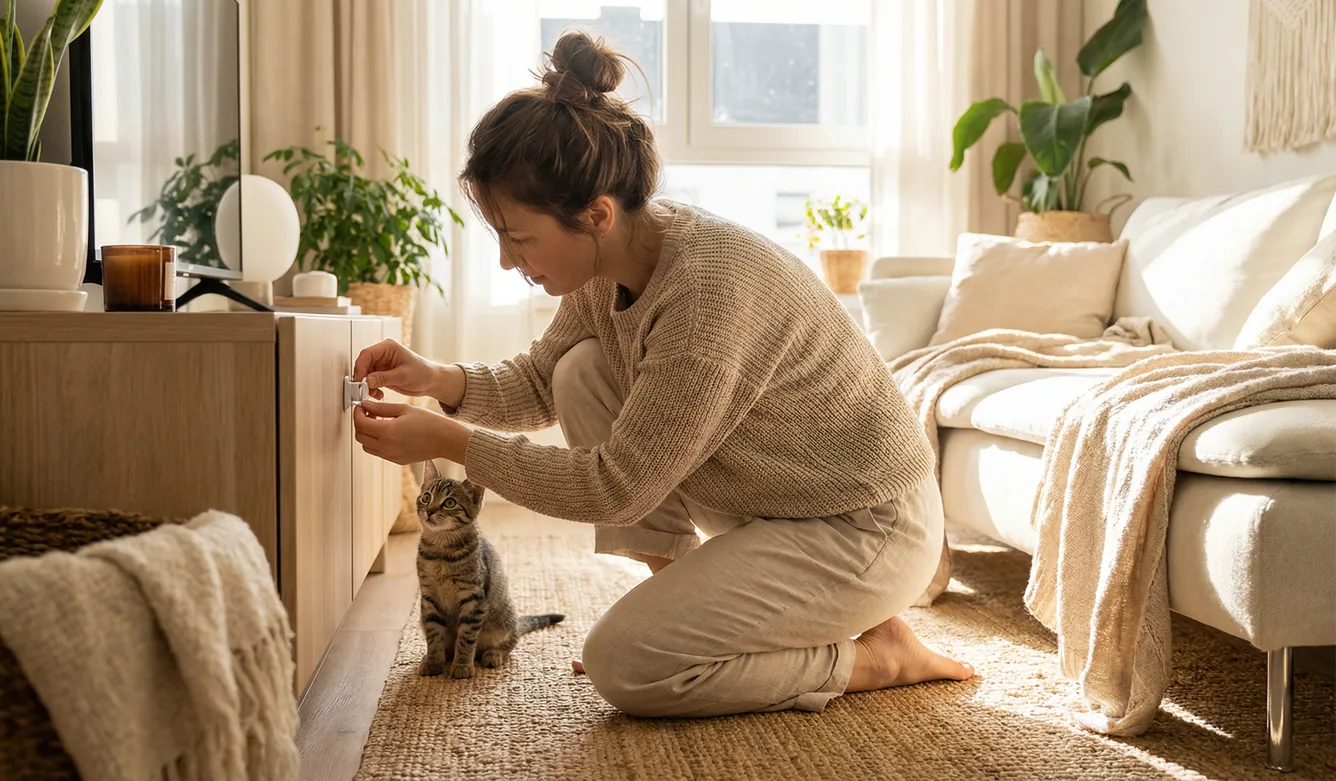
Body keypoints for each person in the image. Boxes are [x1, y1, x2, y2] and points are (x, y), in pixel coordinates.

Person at [350, 31, 974, 719]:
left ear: (597, 214)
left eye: (518, 237)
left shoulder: (705, 294)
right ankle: (678, 603)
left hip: (865, 524)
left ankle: (877, 655)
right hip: (774, 497)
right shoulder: (604, 263)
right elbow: (538, 381)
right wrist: (435, 377)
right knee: (581, 370)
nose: (505, 261)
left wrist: (449, 441)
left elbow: (616, 485)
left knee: (629, 666)